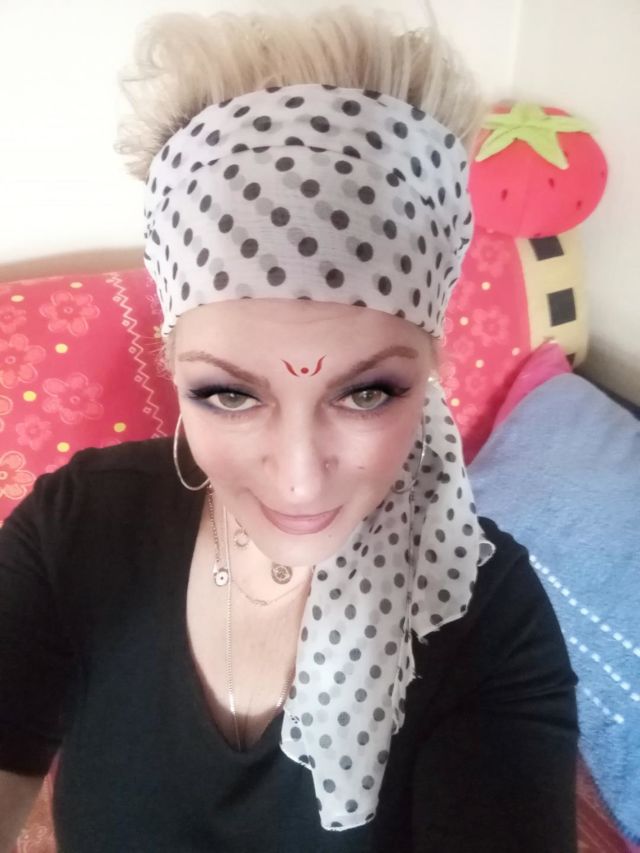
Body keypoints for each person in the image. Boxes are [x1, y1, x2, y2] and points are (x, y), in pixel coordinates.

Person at [0, 4, 579, 851]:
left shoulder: (484, 617)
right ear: (172, 365)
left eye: (368, 392)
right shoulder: (77, 527)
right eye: (230, 395)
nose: (301, 478)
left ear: (432, 370)